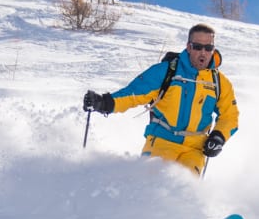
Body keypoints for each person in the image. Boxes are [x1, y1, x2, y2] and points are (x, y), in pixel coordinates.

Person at [83, 23, 239, 176]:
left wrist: (218, 137)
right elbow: (134, 94)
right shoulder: (167, 71)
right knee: (150, 187)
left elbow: (229, 115)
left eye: (208, 48)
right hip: (162, 142)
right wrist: (104, 102)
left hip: (194, 150)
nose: (203, 53)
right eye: (198, 47)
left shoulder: (219, 83)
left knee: (184, 192)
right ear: (189, 47)